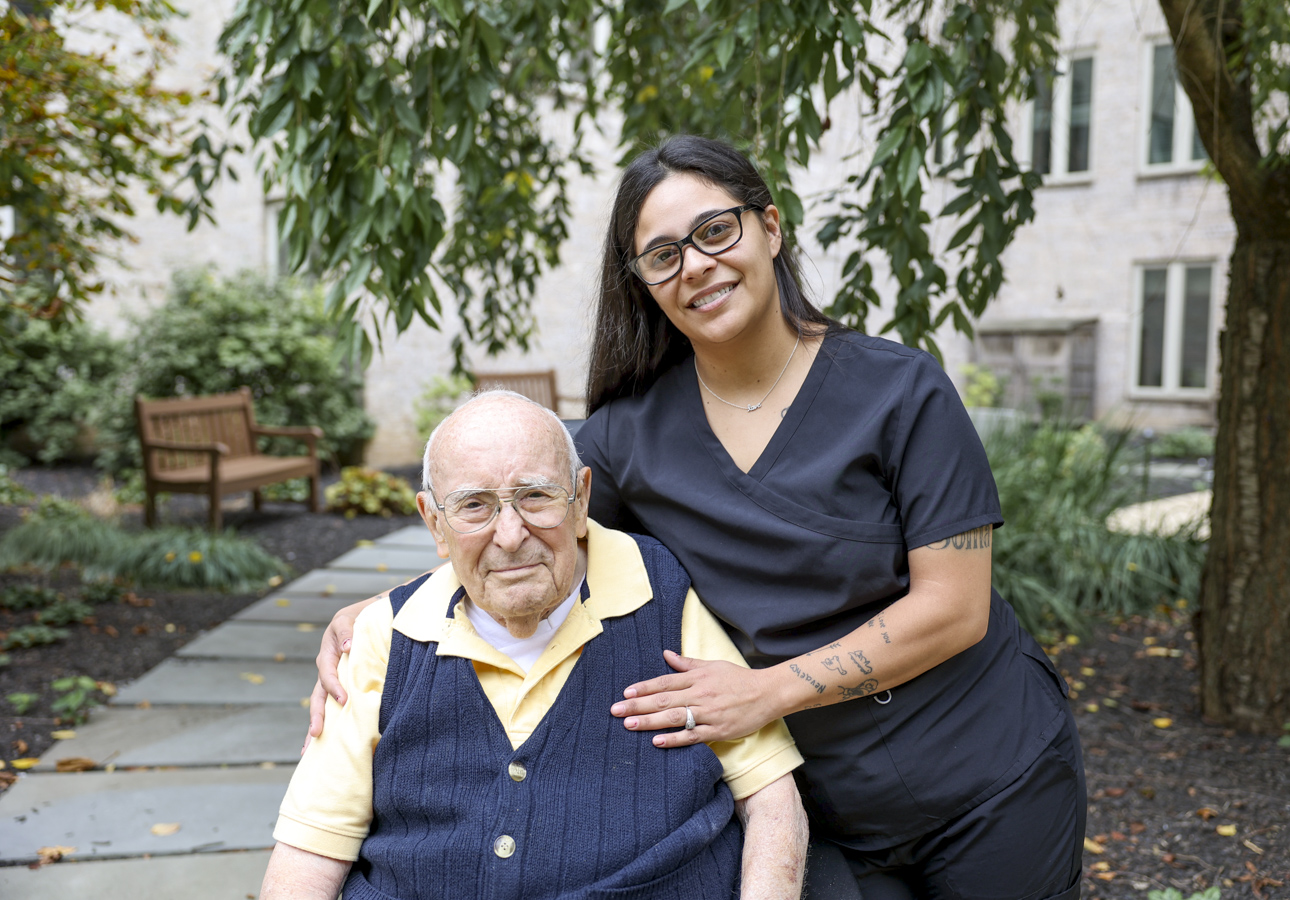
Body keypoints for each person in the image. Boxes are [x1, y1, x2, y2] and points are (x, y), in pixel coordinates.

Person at [309, 136, 1087, 899]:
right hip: (826, 811)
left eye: (716, 231)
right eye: (663, 254)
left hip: (991, 773)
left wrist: (767, 691)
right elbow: (532, 530)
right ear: (644, 281)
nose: (697, 266)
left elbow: (955, 608)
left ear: (771, 228)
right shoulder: (628, 434)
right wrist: (379, 617)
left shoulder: (901, 390)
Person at [263, 391, 808, 900]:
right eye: (474, 505)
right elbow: (307, 854)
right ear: (435, 522)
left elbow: (771, 799)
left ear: (579, 500)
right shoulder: (385, 635)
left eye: (535, 496)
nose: (510, 534)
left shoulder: (657, 594)